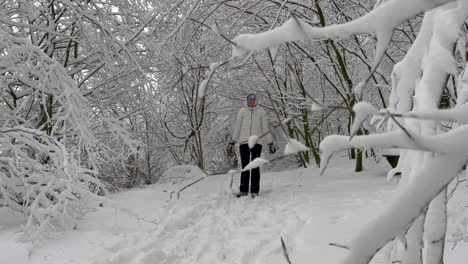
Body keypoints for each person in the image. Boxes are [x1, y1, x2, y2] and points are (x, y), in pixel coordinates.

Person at [230, 92, 276, 198]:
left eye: (253, 99)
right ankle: (243, 190)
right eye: (250, 99)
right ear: (246, 100)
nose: (252, 101)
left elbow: (265, 128)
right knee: (245, 166)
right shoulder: (242, 111)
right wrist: (233, 140)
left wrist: (270, 142)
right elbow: (237, 127)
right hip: (244, 142)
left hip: (256, 142)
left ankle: (255, 190)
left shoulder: (261, 112)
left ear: (256, 101)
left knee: (255, 166)